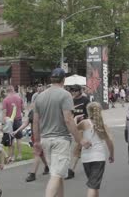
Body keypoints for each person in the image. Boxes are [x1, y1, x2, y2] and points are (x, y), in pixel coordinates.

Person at [32, 68, 91, 197]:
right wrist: (80, 140)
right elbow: (69, 120)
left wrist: (36, 141)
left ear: (51, 79)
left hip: (45, 140)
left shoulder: (40, 96)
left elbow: (35, 121)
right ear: (63, 80)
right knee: (56, 175)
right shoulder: (65, 95)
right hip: (60, 140)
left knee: (57, 175)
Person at [76, 102, 114, 197]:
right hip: (98, 158)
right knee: (93, 186)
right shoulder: (103, 126)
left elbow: (74, 131)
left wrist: (75, 119)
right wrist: (111, 154)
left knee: (93, 184)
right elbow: (110, 142)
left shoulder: (84, 123)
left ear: (88, 111)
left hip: (86, 158)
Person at [12, 108, 50, 182]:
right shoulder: (33, 111)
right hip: (34, 136)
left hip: (43, 136)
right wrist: (17, 130)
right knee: (40, 154)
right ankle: (47, 166)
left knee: (36, 154)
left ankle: (33, 174)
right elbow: (26, 123)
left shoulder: (46, 110)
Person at [66, 84, 90, 180]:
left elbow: (90, 115)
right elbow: (69, 114)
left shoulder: (86, 101)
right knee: (82, 147)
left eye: (75, 90)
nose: (73, 92)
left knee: (77, 147)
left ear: (80, 91)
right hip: (74, 127)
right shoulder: (71, 101)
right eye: (72, 90)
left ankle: (71, 170)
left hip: (83, 127)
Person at [1, 85, 24, 162]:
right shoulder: (19, 98)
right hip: (18, 119)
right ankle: (20, 155)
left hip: (9, 122)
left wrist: (3, 124)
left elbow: (4, 112)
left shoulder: (5, 100)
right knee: (19, 138)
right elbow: (23, 108)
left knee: (11, 139)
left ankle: (12, 155)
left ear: (7, 91)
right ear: (13, 90)